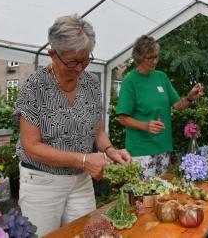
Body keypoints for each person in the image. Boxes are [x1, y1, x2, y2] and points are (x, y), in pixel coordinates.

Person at [14, 15, 131, 236]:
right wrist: (84, 160)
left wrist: (111, 151)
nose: (79, 68)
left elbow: (98, 132)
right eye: (72, 62)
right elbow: (31, 146)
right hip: (42, 182)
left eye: (85, 60)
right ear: (53, 55)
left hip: (80, 181)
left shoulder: (91, 84)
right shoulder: (34, 86)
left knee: (88, 233)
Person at [116, 35, 203, 177]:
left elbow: (177, 105)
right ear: (139, 57)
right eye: (149, 58)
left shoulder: (161, 77)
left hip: (163, 147)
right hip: (141, 151)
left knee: (162, 195)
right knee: (143, 197)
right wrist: (145, 125)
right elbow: (122, 118)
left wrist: (189, 97)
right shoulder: (130, 81)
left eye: (156, 56)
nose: (154, 61)